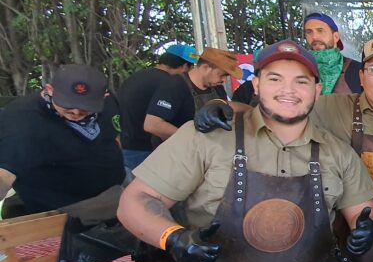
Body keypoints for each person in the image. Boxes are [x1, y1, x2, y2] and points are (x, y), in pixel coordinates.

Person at [117, 40, 373, 262]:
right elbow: (136, 199)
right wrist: (173, 238)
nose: (288, 90)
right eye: (275, 79)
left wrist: (368, 227)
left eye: (301, 81)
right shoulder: (207, 139)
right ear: (256, 85)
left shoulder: (338, 152)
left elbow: (365, 209)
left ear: (317, 89)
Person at [194, 34, 373, 262]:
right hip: (340, 239)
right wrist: (219, 105)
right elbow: (275, 108)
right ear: (361, 77)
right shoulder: (327, 107)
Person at [0, 65, 125, 217]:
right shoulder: (23, 120)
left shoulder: (108, 103)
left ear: (104, 96)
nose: (76, 112)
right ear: (50, 90)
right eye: (67, 104)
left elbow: (114, 135)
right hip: (62, 211)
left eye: (86, 107)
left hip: (116, 192)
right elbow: (4, 176)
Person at [117, 43, 198, 168]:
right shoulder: (170, 83)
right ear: (185, 66)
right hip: (150, 151)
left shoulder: (135, 77)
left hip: (127, 148)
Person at [143, 47, 238, 144]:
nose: (224, 80)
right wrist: (193, 139)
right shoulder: (174, 85)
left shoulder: (217, 88)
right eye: (222, 75)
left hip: (209, 150)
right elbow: (152, 124)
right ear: (205, 68)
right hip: (178, 151)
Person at [304, 12, 363, 95]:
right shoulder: (302, 69)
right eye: (309, 32)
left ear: (336, 37)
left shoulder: (358, 70)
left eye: (320, 31)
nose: (314, 37)